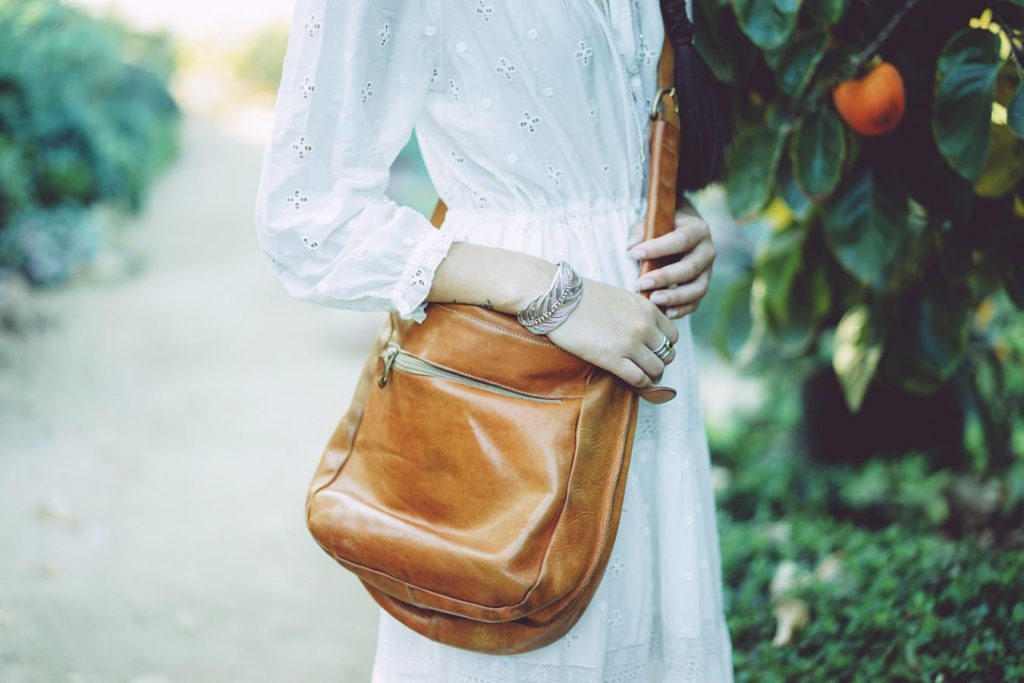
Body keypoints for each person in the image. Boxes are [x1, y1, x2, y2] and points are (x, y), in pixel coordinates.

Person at [254, 0, 735, 680]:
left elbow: (615, 109)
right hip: (512, 371)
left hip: (645, 364)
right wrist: (555, 294)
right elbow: (305, 216)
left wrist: (671, 216)